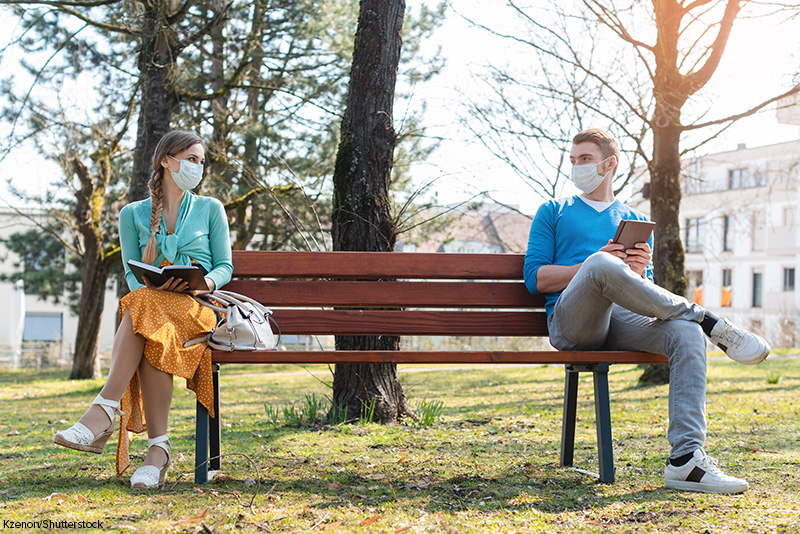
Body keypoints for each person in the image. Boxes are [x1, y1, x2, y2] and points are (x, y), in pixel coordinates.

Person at [523, 128, 769, 494]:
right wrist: (596, 266)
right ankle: (708, 319)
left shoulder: (635, 219)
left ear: (610, 164)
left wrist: (636, 271)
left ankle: (686, 461)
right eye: (573, 161)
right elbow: (536, 279)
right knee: (599, 264)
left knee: (684, 332)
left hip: (623, 321)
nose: (577, 167)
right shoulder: (553, 211)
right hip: (573, 324)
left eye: (585, 160)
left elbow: (647, 295)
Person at [54, 131, 233, 489]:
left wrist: (204, 284)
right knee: (148, 315)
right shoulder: (132, 214)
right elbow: (132, 274)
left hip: (198, 307)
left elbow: (224, 267)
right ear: (167, 160)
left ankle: (105, 412)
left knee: (142, 312)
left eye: (200, 161)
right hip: (152, 307)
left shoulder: (210, 208)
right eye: (191, 159)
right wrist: (154, 289)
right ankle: (157, 452)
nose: (197, 167)